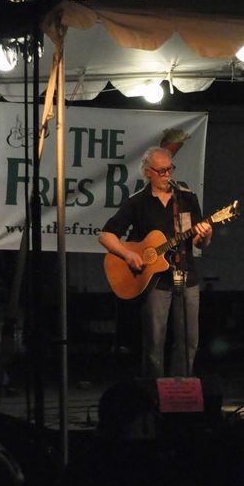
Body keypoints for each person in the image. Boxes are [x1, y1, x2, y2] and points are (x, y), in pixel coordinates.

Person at [99, 147, 212, 378]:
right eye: (161, 171)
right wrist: (128, 254)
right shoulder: (138, 202)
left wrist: (206, 233)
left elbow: (200, 243)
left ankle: (182, 393)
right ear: (147, 172)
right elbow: (106, 235)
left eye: (169, 169)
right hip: (156, 282)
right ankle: (155, 393)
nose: (166, 175)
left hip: (187, 276)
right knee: (154, 344)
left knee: (189, 342)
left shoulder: (187, 198)